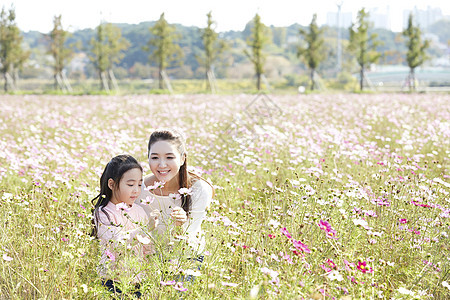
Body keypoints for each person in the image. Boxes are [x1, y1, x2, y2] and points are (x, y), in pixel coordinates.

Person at [136, 128, 214, 264]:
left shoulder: (199, 189)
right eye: (154, 157)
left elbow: (188, 240)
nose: (162, 164)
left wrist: (179, 226)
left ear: (182, 158)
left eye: (169, 157)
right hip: (146, 259)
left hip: (186, 259)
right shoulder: (138, 187)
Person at [91, 154, 159, 297]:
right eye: (130, 184)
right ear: (111, 184)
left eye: (139, 184)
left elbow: (147, 246)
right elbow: (117, 242)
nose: (136, 190)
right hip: (112, 281)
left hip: (138, 280)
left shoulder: (139, 210)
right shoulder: (103, 213)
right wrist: (146, 229)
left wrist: (154, 269)